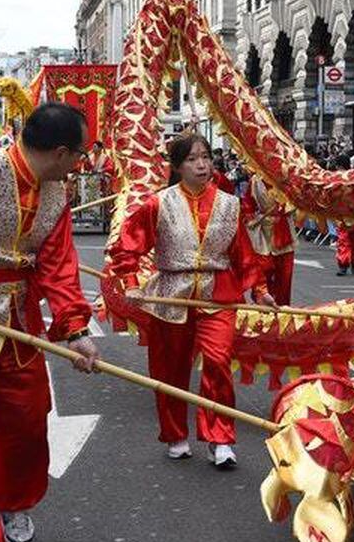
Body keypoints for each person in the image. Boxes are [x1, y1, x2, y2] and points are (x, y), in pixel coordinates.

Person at [0, 103, 99, 542]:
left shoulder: (58, 194)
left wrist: (73, 330)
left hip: (20, 324)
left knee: (26, 423)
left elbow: (58, 265)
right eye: (80, 155)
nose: (81, 165)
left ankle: (10, 503)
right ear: (62, 151)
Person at [109, 134, 275, 469]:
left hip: (219, 294)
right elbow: (126, 245)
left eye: (205, 157)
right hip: (172, 292)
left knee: (217, 361)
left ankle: (219, 438)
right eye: (192, 159)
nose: (202, 164)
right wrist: (129, 281)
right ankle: (175, 434)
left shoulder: (230, 204)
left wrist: (259, 291)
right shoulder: (158, 204)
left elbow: (243, 254)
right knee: (170, 368)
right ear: (177, 166)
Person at [241, 175, 296, 304]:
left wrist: (287, 208)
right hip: (262, 230)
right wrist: (250, 217)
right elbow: (248, 204)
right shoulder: (255, 181)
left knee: (284, 276)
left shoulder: (285, 179)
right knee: (262, 269)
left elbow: (295, 200)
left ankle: (282, 308)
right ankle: (262, 301)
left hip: (283, 229)